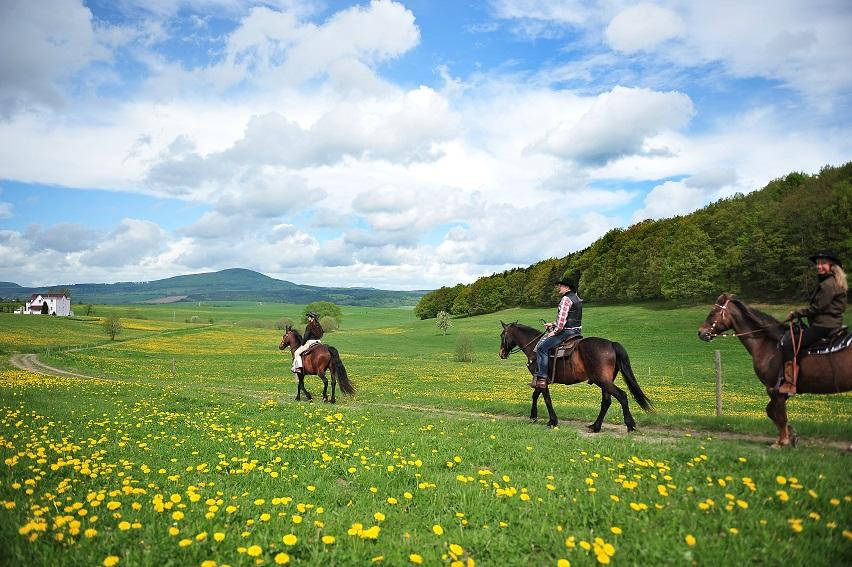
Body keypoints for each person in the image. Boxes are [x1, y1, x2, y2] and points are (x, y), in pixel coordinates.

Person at [777, 250, 848, 395]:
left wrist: (796, 313)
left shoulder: (828, 284)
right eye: (818, 263)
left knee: (789, 344)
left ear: (832, 266)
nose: (819, 266)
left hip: (823, 326)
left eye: (823, 264)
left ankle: (790, 384)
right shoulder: (833, 282)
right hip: (832, 324)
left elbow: (817, 308)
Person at [531, 278, 582, 389]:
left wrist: (555, 331)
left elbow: (562, 320)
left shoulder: (565, 299)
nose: (559, 288)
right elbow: (569, 318)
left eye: (561, 286)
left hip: (566, 332)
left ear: (567, 287)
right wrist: (553, 324)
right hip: (576, 331)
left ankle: (542, 378)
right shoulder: (577, 299)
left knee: (542, 348)